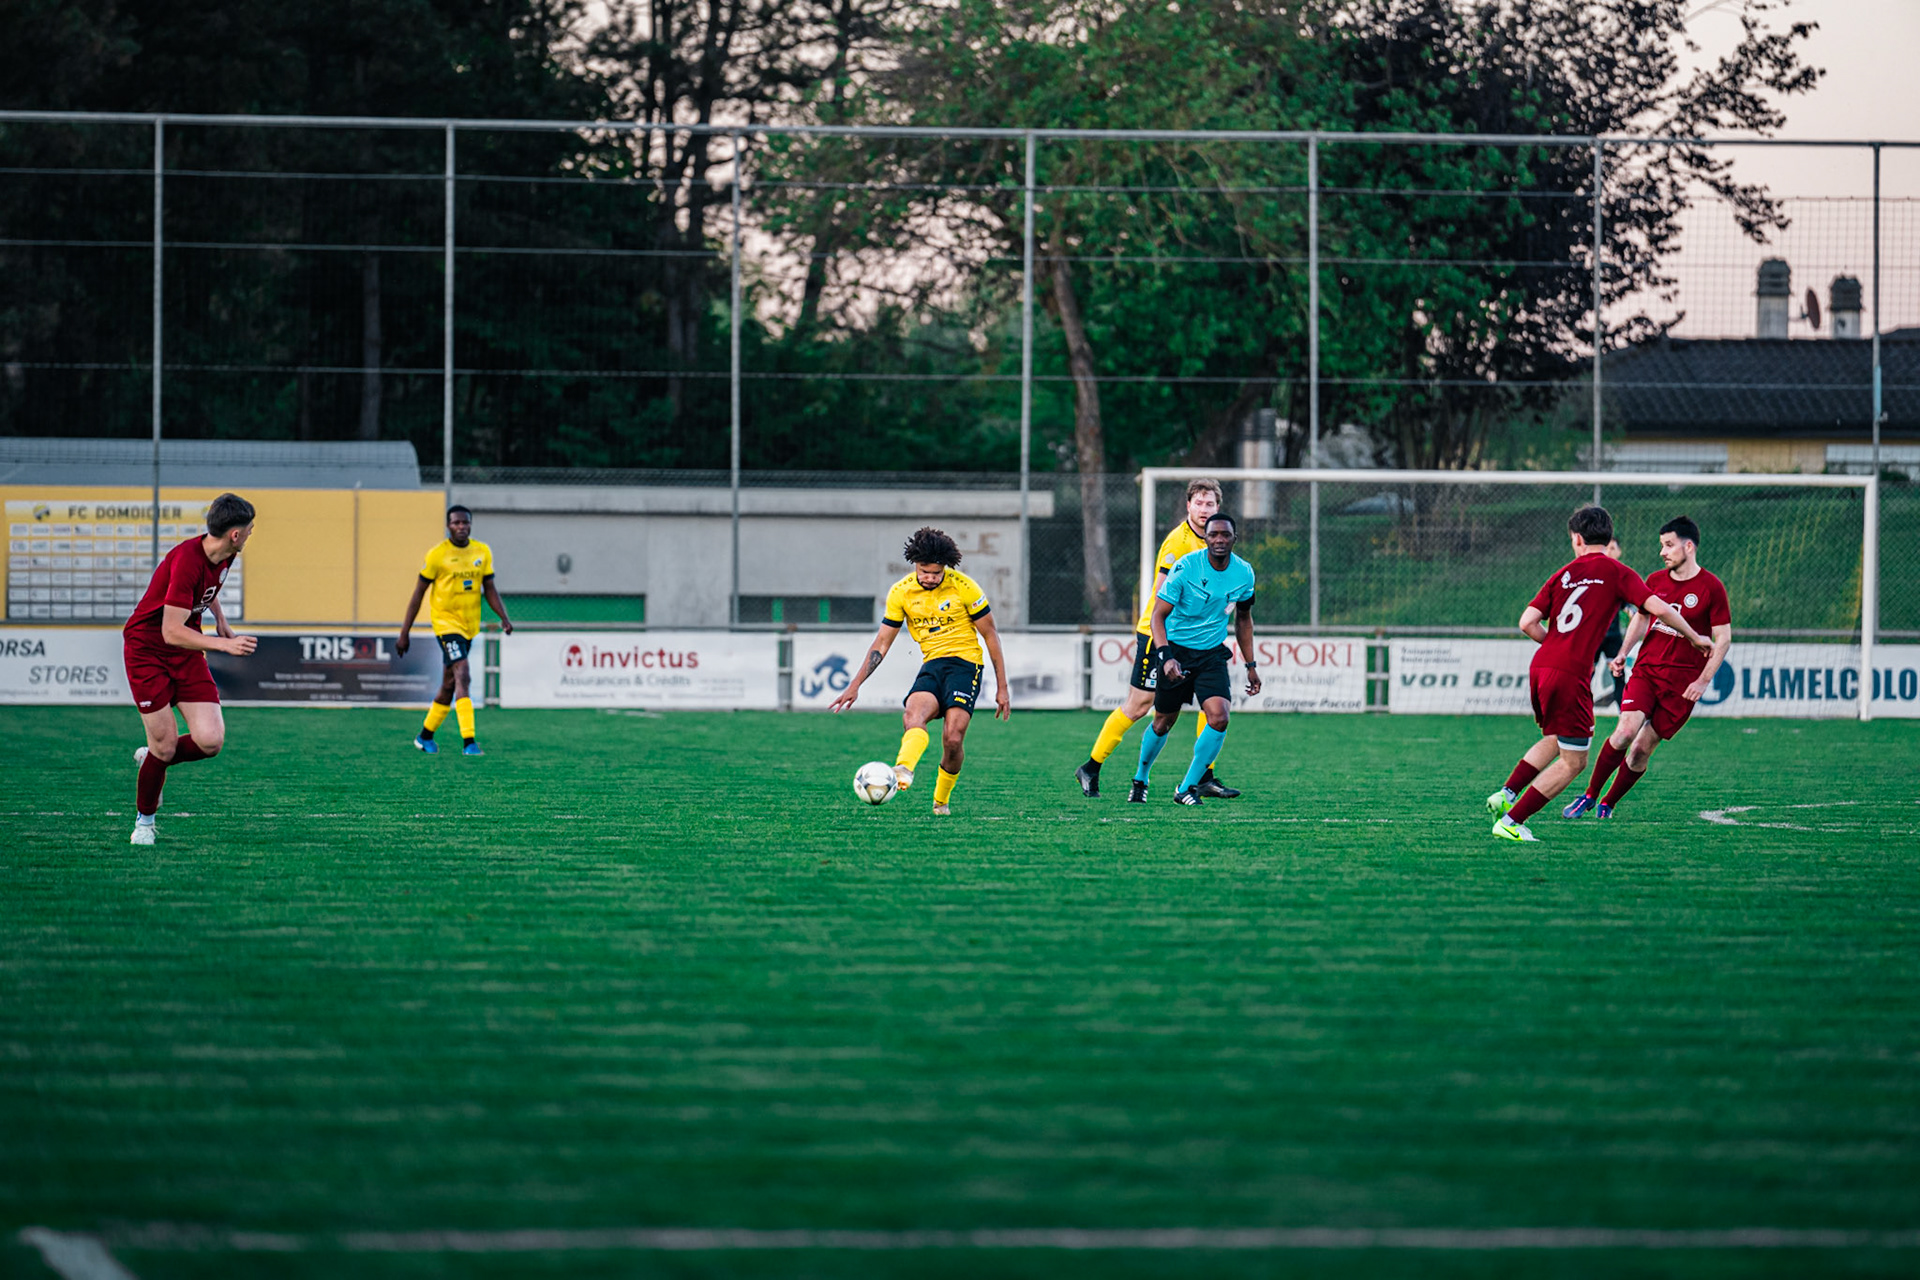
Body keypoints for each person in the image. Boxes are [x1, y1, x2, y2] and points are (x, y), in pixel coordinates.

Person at [1488, 505, 1711, 842]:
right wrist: (1694, 636)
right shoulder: (1618, 572)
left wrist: (1557, 646)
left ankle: (1506, 794)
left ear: (1577, 539)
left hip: (1541, 666)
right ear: (1607, 539)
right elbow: (1660, 609)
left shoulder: (1563, 574)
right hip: (1569, 672)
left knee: (1558, 737)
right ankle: (1512, 821)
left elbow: (1527, 622)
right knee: (1574, 762)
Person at [1075, 477, 1242, 800]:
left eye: (1210, 504)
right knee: (1139, 705)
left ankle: (1204, 776)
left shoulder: (1215, 540)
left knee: (1212, 705)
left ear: (1218, 507)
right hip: (1161, 636)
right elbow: (1160, 594)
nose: (1204, 509)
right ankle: (1091, 766)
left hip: (1197, 640)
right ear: (1188, 505)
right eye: (1199, 503)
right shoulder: (1177, 543)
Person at [828, 527, 1012, 815]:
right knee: (913, 715)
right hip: (933, 665)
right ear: (915, 564)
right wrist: (855, 684)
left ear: (945, 568)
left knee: (953, 739)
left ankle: (941, 801)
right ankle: (903, 769)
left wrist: (1002, 687)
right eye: (924, 571)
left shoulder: (965, 587)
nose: (930, 578)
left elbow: (990, 635)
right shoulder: (901, 592)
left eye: (936, 573)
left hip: (966, 666)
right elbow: (882, 643)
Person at [1565, 515, 1732, 818]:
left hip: (1681, 686)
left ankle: (1608, 803)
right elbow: (1641, 619)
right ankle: (1589, 795)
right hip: (1647, 672)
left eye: (1668, 545)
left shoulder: (1711, 587)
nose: (1662, 552)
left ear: (1689, 546)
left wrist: (1703, 680)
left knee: (1641, 750)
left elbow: (1723, 638)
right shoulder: (1655, 581)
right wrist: (1623, 653)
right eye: (1661, 545)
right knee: (1624, 732)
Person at [122, 492, 259, 845]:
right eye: (249, 529)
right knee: (165, 745)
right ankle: (144, 823)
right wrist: (225, 645)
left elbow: (207, 589)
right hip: (148, 651)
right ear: (235, 534)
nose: (250, 533)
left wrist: (221, 620)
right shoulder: (187, 560)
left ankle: (152, 761)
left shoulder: (224, 553)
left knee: (210, 741)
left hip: (184, 651)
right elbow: (170, 631)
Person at [1131, 513, 1261, 807]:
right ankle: (1141, 778)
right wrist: (1165, 657)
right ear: (1205, 537)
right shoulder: (1186, 567)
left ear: (1234, 539)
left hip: (1211, 653)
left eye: (1225, 535)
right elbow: (1158, 615)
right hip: (1176, 651)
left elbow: (1243, 618)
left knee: (1219, 716)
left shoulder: (1244, 573)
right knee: (1163, 722)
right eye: (1213, 534)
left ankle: (1187, 787)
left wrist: (1251, 665)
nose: (1219, 540)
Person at [398, 505, 514, 756]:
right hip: (446, 624)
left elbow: (489, 589)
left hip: (469, 626)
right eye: (456, 523)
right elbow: (418, 594)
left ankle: (424, 737)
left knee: (449, 684)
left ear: (470, 524)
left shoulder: (482, 552)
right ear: (448, 526)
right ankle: (469, 742)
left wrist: (503, 617)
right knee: (463, 673)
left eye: (465, 522)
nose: (461, 527)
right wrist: (404, 632)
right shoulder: (437, 555)